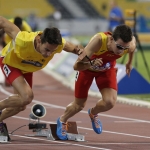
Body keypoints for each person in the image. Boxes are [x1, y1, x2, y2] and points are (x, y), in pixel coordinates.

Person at [0, 16, 81, 138]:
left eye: (52, 51)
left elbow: (75, 48)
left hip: (27, 68)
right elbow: (2, 21)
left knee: (20, 106)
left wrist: (86, 56)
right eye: (47, 49)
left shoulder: (58, 45)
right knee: (27, 97)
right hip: (10, 63)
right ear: (39, 41)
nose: (49, 54)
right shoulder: (23, 39)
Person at [56, 24, 136, 140]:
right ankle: (62, 120)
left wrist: (129, 63)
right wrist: (91, 63)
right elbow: (76, 66)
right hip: (86, 70)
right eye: (119, 47)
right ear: (111, 39)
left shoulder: (128, 45)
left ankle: (93, 113)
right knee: (79, 105)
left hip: (106, 70)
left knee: (110, 102)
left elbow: (132, 48)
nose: (121, 51)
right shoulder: (98, 41)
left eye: (125, 48)